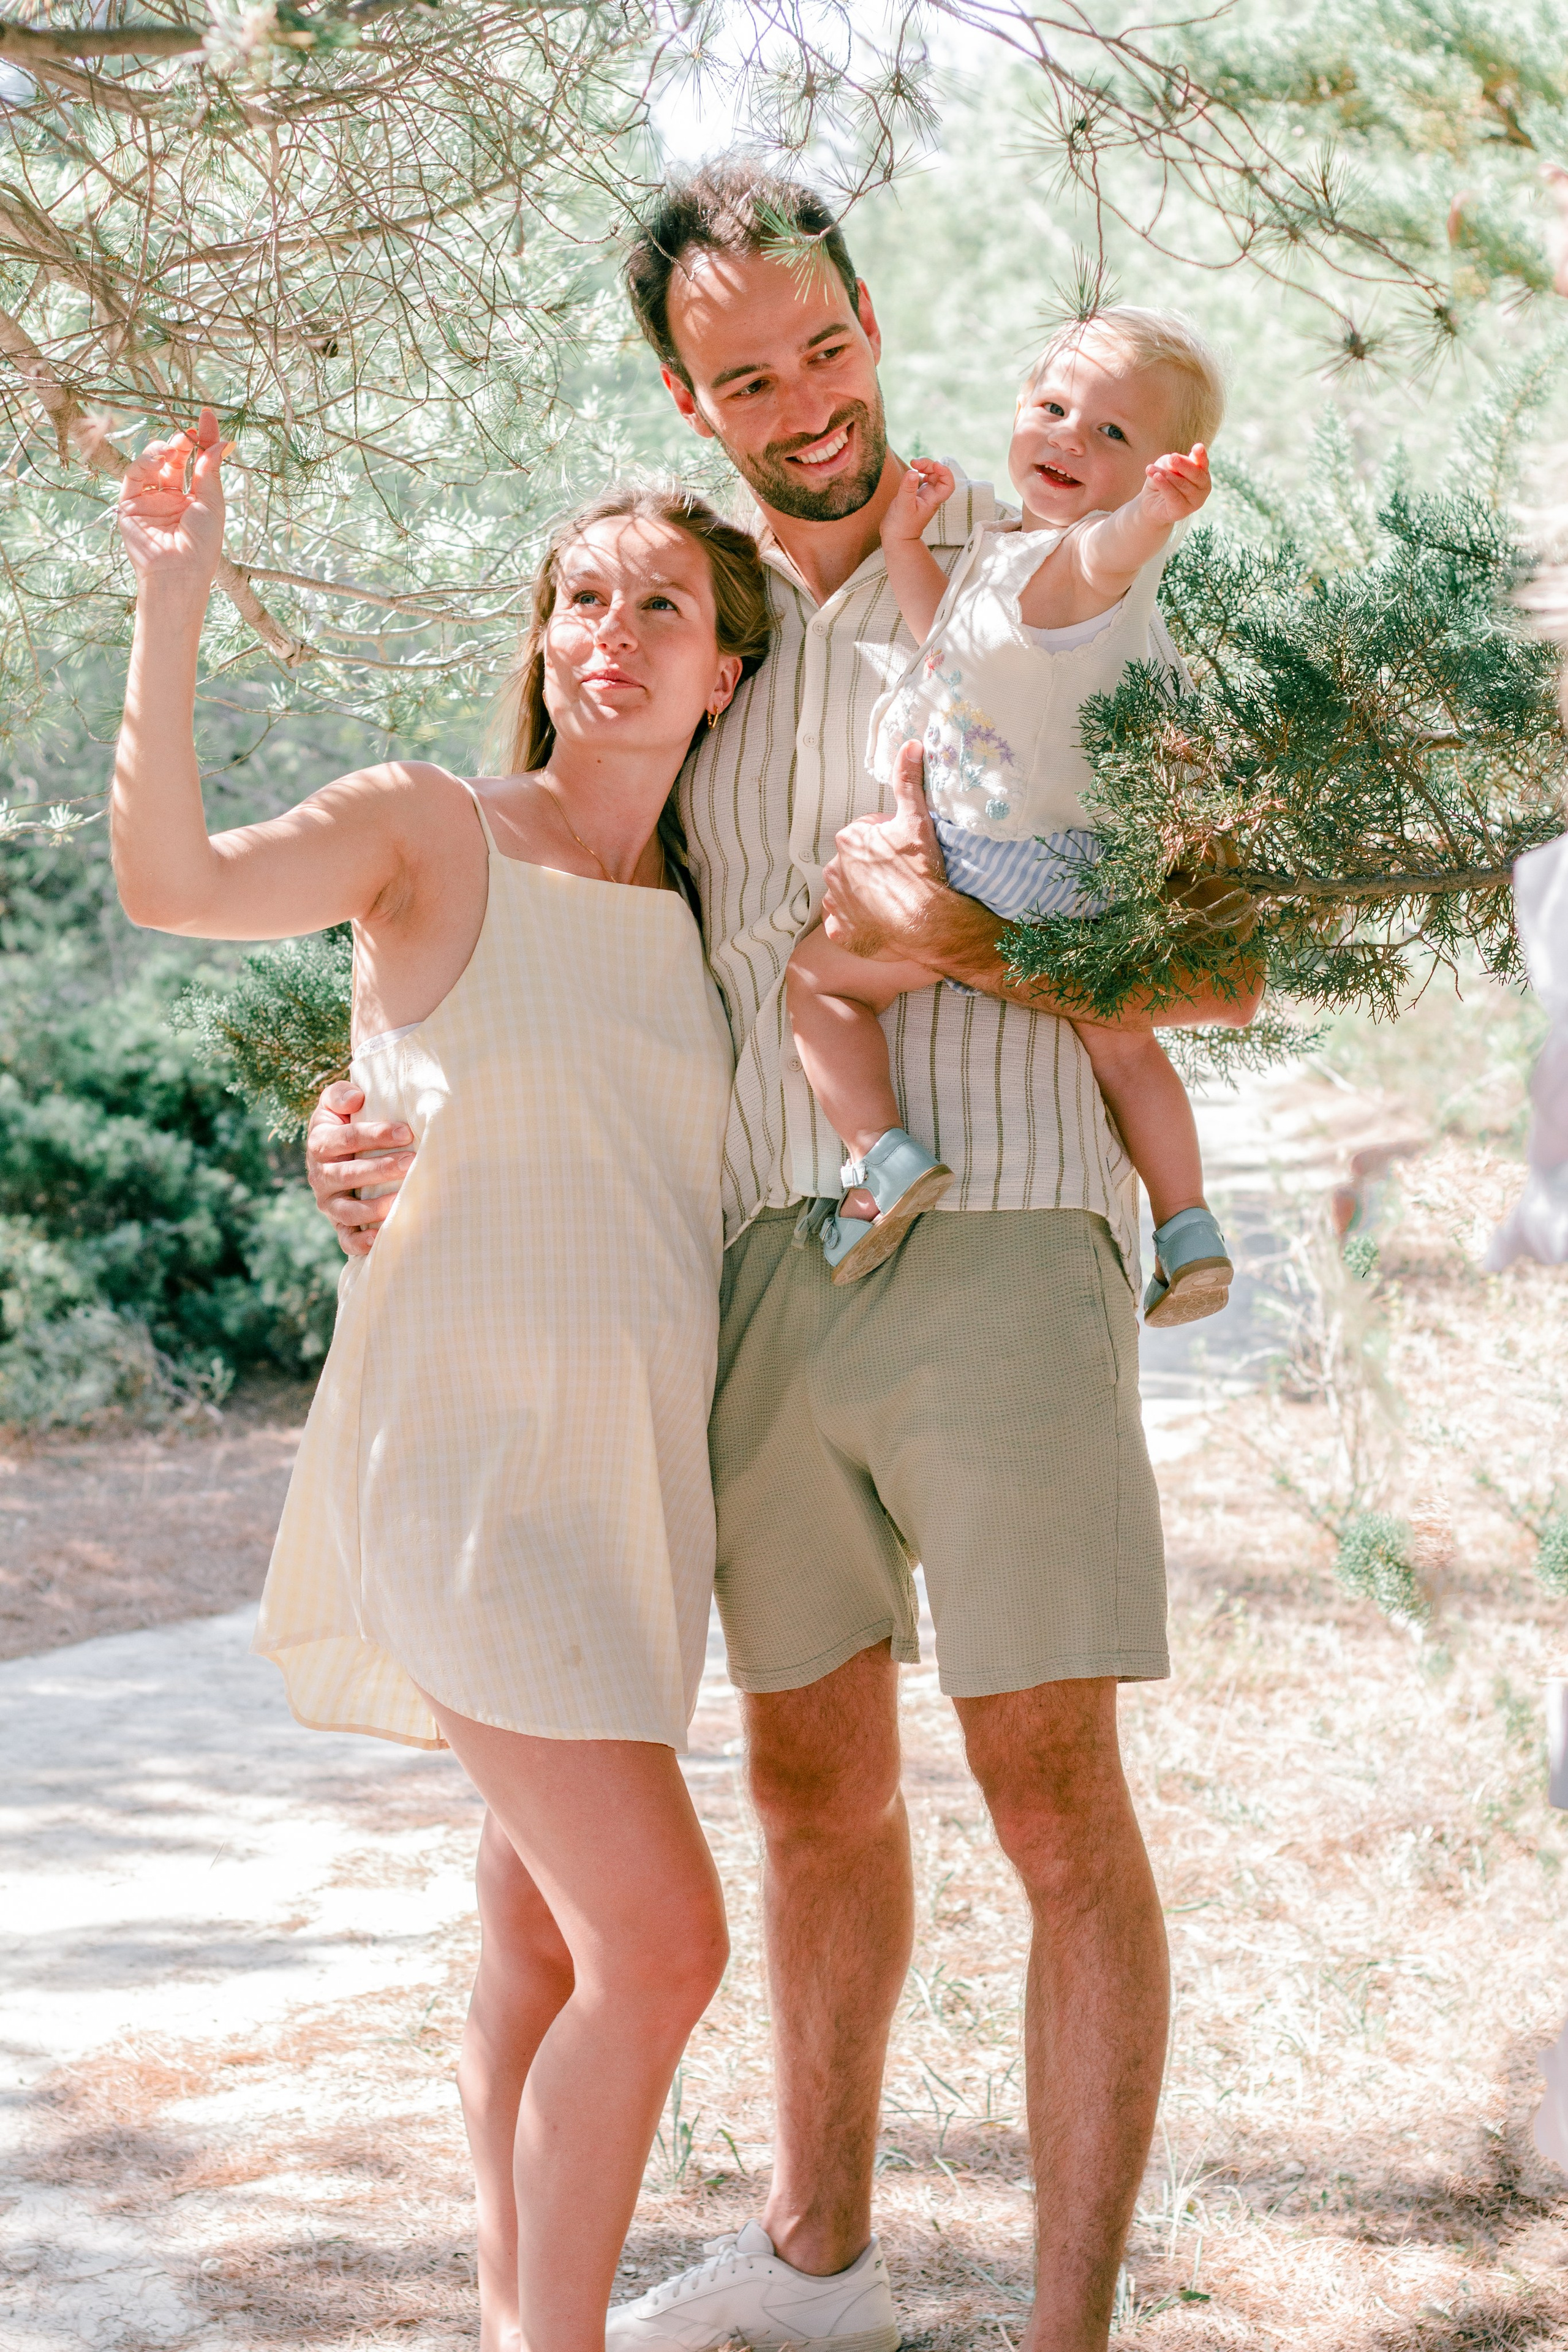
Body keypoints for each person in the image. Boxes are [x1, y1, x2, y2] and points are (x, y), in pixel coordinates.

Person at [304, 162, 1264, 2352]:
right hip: (752, 1279)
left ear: (869, 323)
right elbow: (500, 913)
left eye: (827, 346)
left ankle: (1066, 2332)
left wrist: (980, 941)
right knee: (808, 1787)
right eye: (750, 375)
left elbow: (1219, 972)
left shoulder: (1044, 590)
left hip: (1009, 1240)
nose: (807, 399)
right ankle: (818, 2265)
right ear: (692, 395)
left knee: (1050, 1796)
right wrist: (354, 1123)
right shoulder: (694, 642)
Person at [109, 426, 773, 2352]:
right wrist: (175, 595)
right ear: (545, 637)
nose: (618, 635)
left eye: (667, 608)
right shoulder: (429, 825)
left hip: (631, 1493)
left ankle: (508, 2319)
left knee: (544, 1942)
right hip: (470, 1480)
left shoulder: (704, 915)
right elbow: (172, 882)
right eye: (586, 600)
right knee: (664, 1948)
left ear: (726, 668)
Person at [785, 307, 1234, 1325]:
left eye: (1115, 434)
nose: (1072, 435)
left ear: (1160, 466)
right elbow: (947, 627)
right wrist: (906, 534)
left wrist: (1156, 516)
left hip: (993, 863)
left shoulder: (1085, 566)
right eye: (1054, 407)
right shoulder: (1015, 560)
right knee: (1123, 1048)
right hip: (1093, 872)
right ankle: (1190, 1230)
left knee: (820, 982)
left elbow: (1109, 554)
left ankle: (883, 1161)